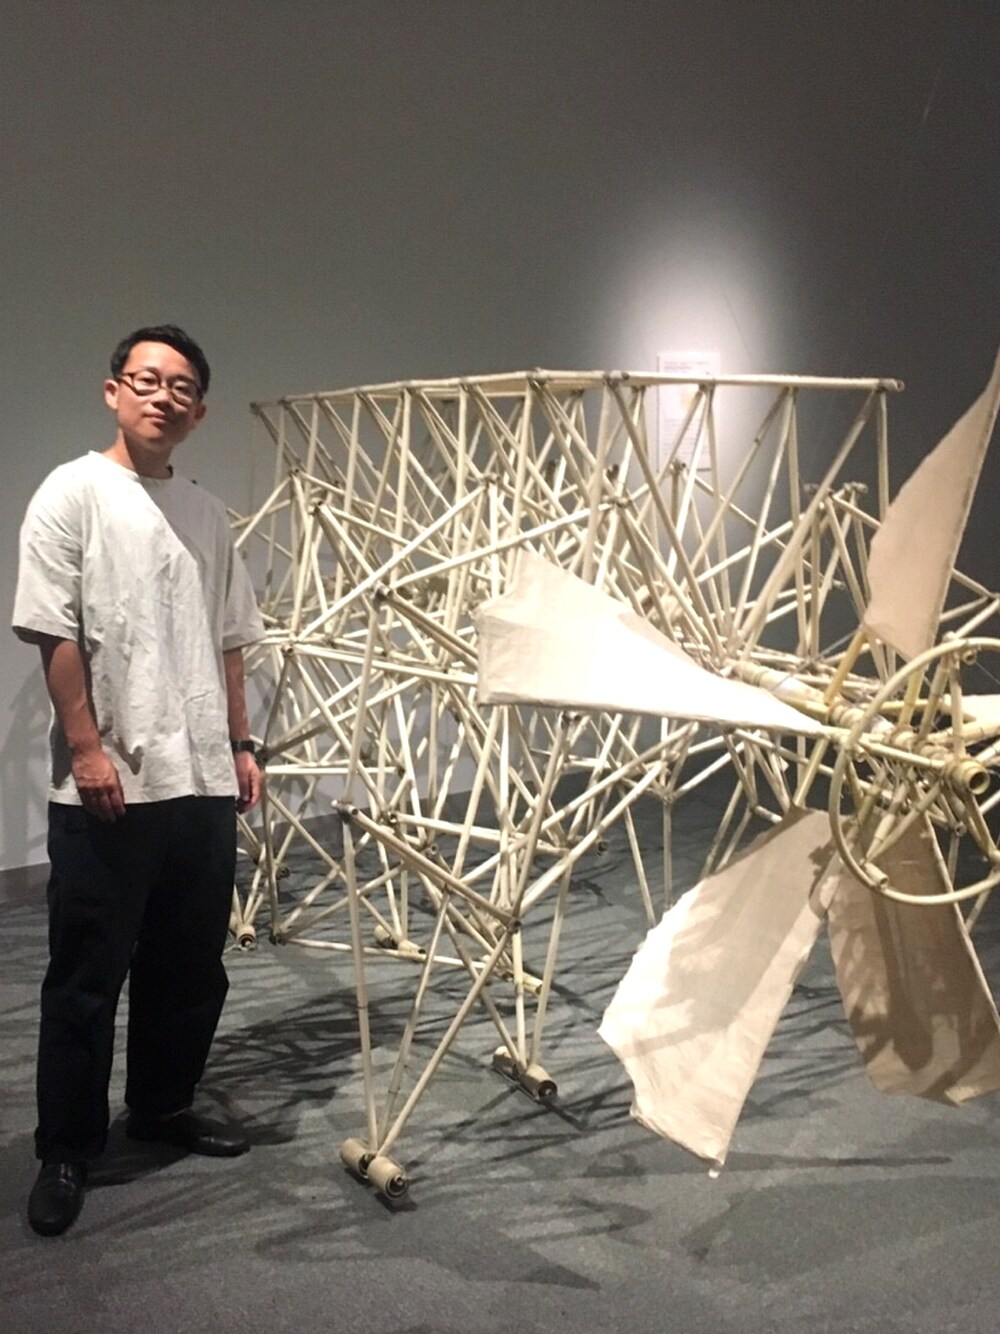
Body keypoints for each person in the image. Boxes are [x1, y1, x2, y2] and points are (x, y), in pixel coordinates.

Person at [12, 325, 265, 1237]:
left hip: (201, 782)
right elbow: (54, 629)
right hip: (111, 784)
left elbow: (229, 639)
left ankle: (160, 1107)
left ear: (199, 411)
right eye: (147, 379)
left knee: (190, 969)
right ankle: (67, 1148)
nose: (163, 395)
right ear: (113, 390)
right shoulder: (72, 493)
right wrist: (86, 751)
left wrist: (242, 744)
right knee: (87, 975)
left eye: (181, 386)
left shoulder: (206, 513)